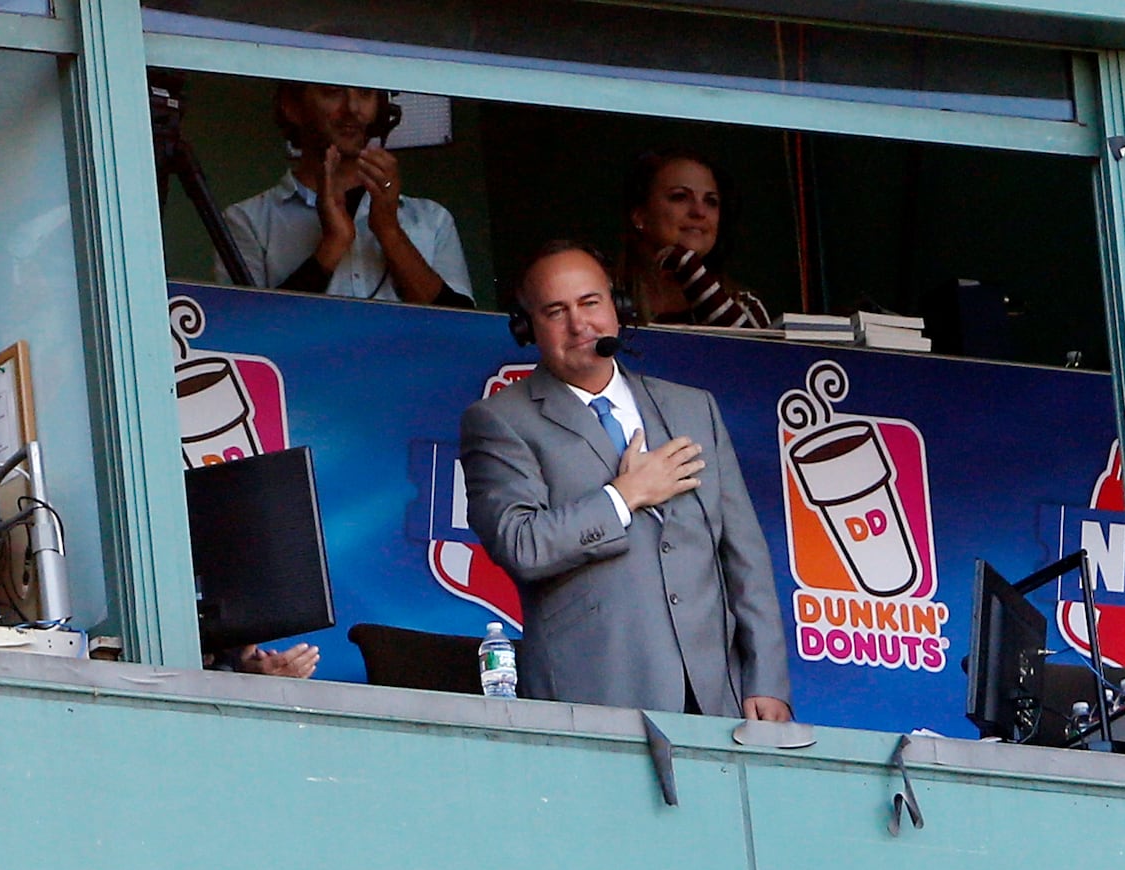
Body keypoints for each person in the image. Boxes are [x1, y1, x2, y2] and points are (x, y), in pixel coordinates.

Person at [459, 240, 791, 719]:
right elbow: (521, 545)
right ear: (526, 327)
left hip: (717, 697)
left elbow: (745, 558)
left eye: (590, 302)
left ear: (618, 308)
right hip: (592, 697)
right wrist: (625, 495)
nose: (579, 324)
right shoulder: (499, 420)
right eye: (556, 311)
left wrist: (766, 680)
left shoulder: (693, 408)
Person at [217, 83, 474, 307]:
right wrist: (332, 246)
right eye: (332, 92)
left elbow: (461, 330)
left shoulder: (432, 219)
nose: (352, 108)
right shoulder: (247, 220)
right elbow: (246, 331)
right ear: (292, 107)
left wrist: (389, 231)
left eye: (365, 93)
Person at [617, 148, 769, 329]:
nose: (699, 212)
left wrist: (689, 269)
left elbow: (750, 346)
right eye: (680, 197)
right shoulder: (603, 297)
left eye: (711, 201)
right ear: (640, 216)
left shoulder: (743, 305)